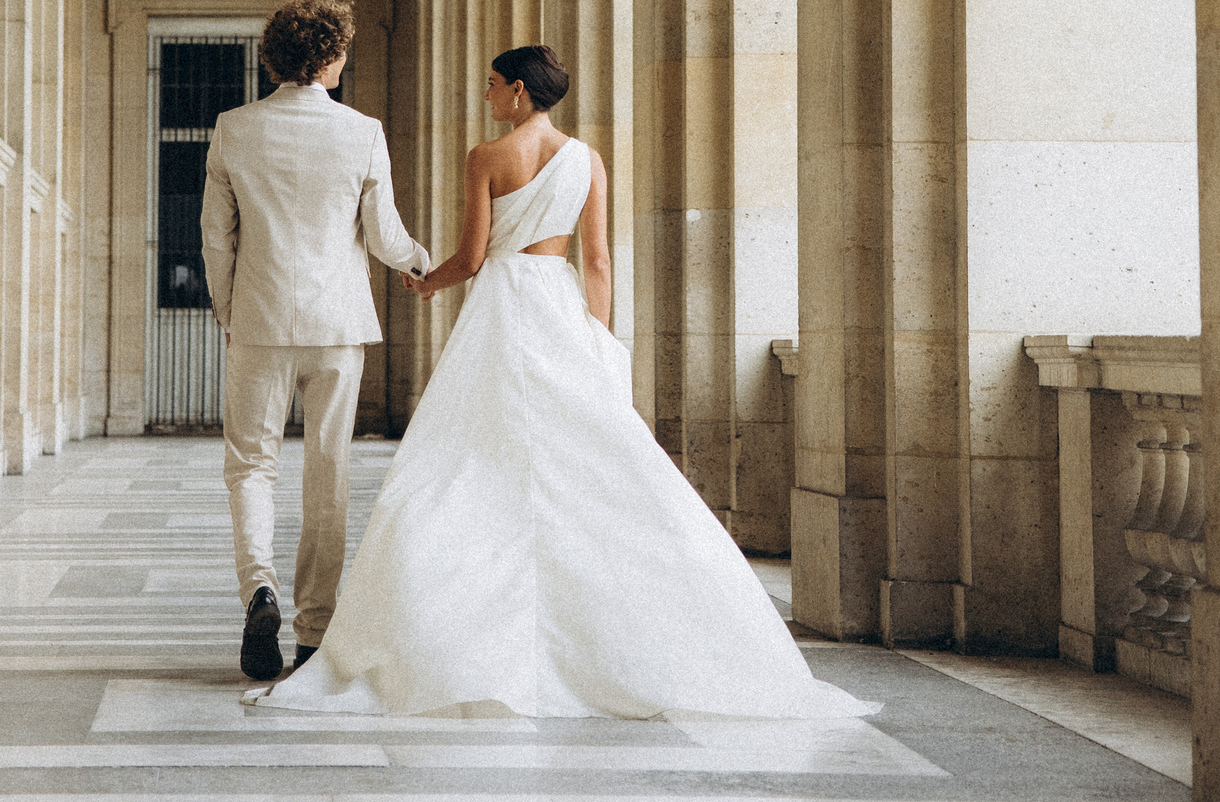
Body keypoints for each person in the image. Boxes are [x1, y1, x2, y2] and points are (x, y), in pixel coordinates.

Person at [254, 44, 874, 719]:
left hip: (503, 307)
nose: (486, 96)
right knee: (594, 466)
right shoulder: (587, 159)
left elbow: (472, 255)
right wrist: (597, 339)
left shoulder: (486, 158)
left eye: (493, 85)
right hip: (559, 304)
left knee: (461, 463)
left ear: (519, 91)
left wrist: (425, 282)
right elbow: (599, 259)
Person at [202, 0, 432, 683]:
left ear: (276, 56)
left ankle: (260, 590)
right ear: (331, 56)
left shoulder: (233, 127)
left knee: (251, 464)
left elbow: (217, 236)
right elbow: (386, 236)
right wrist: (424, 261)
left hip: (260, 320)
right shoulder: (362, 131)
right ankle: (313, 631)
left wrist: (226, 307)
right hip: (337, 327)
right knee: (327, 471)